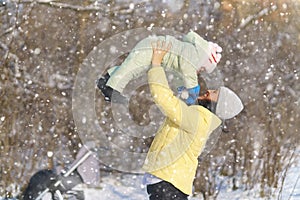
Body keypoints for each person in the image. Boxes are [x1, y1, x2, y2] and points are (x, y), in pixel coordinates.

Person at [142, 40, 243, 200]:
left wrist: (156, 64)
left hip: (169, 184)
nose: (209, 90)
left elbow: (165, 100)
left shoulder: (198, 119)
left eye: (214, 92)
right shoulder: (198, 115)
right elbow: (178, 98)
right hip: (169, 182)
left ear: (216, 104)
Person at [97, 31, 222, 104]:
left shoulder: (190, 55)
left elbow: (180, 75)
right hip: (153, 47)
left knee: (132, 68)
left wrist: (182, 91)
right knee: (132, 68)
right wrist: (192, 91)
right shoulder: (194, 57)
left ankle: (106, 79)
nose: (200, 71)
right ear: (206, 61)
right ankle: (111, 89)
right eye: (204, 69)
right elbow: (187, 71)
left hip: (153, 47)